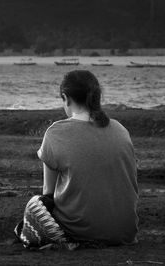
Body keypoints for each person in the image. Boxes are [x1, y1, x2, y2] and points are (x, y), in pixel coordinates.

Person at [14, 70, 139, 250]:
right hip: (125, 232)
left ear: (66, 98)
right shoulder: (121, 129)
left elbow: (48, 194)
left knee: (34, 206)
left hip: (81, 233)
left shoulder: (56, 133)